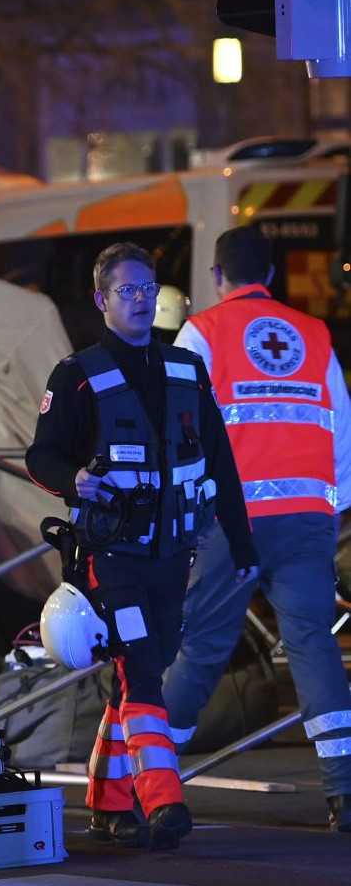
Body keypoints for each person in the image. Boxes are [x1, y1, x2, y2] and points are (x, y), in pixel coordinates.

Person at [26, 241, 258, 849]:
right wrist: (74, 479)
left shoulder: (185, 369)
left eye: (148, 289)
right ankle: (164, 801)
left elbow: (222, 462)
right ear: (101, 300)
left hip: (172, 556)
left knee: (135, 677)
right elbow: (40, 456)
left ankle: (106, 803)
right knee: (143, 673)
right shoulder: (76, 376)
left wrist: (241, 540)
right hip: (112, 556)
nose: (140, 300)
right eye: (127, 291)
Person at [163, 224, 351, 831]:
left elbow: (179, 427)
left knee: (203, 647)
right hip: (308, 521)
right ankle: (344, 790)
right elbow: (341, 429)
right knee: (313, 645)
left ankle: (150, 778)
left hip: (232, 523)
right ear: (271, 274)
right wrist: (332, 505)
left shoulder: (205, 331)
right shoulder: (316, 335)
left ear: (217, 277)